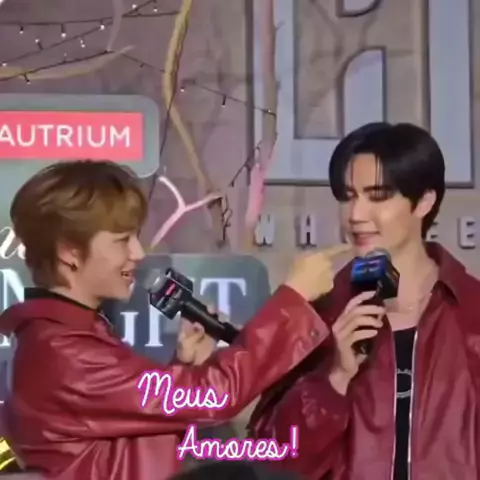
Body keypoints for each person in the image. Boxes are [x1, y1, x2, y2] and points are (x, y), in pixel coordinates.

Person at [0, 160, 350, 480]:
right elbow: (214, 396)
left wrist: (184, 367)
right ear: (69, 252)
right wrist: (293, 300)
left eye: (136, 236)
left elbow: (124, 438)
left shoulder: (65, 338)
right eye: (122, 240)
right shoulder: (63, 352)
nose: (138, 253)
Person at [248, 122, 480, 480]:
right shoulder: (320, 313)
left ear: (424, 202)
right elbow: (272, 460)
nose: (355, 215)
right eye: (349, 196)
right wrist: (335, 379)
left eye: (377, 196)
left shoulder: (471, 311)